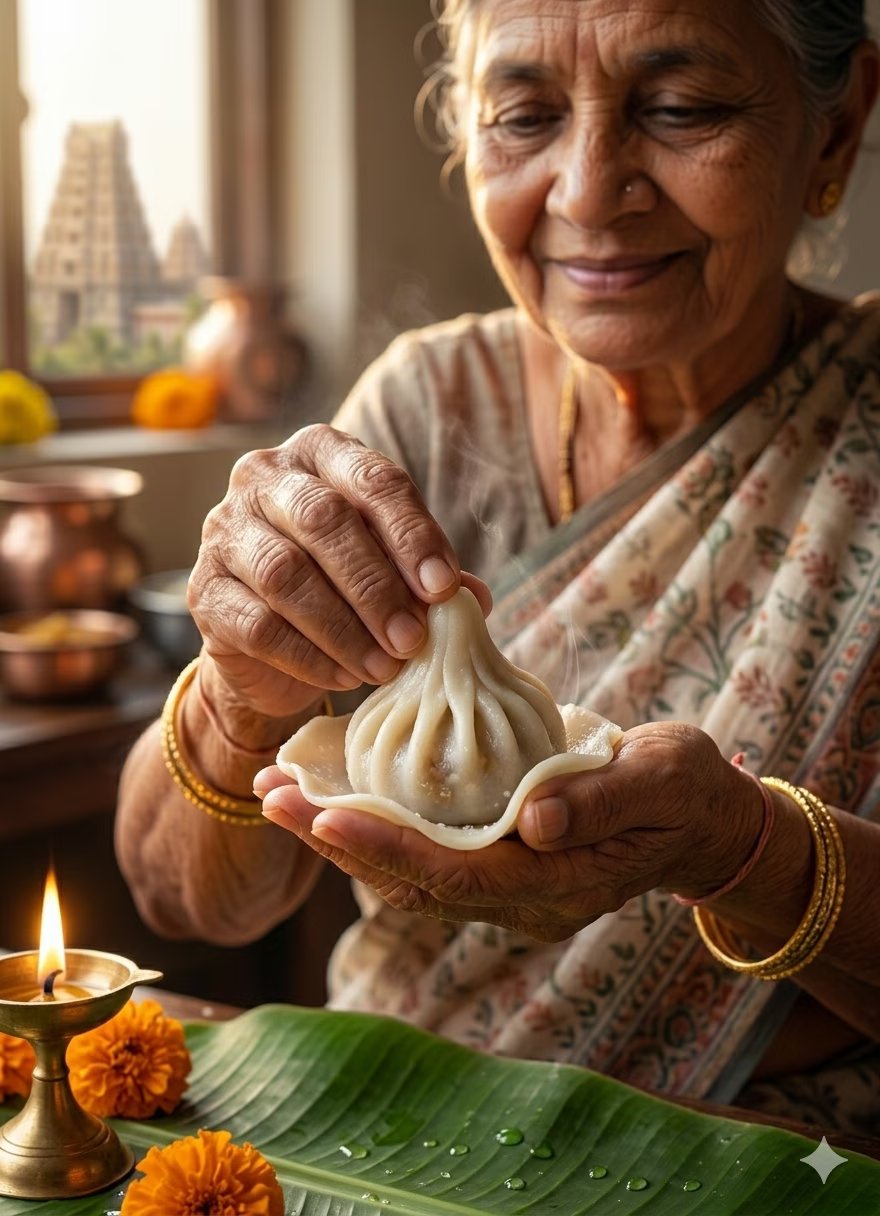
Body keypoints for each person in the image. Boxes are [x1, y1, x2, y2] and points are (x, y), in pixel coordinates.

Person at [116, 0, 880, 1135]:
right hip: (387, 1144)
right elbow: (180, 898)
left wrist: (741, 848)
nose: (583, 193)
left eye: (678, 109)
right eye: (522, 116)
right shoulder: (421, 410)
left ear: (833, 129)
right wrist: (244, 695)